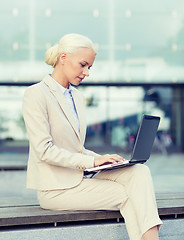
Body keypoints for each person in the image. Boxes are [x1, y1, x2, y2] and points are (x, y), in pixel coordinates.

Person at [22, 33, 162, 240]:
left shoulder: (77, 97)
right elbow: (44, 151)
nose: (87, 72)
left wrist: (103, 159)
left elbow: (74, 148)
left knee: (139, 171)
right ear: (63, 58)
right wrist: (91, 160)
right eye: (83, 65)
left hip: (80, 177)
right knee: (130, 195)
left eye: (90, 67)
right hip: (56, 189)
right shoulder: (36, 94)